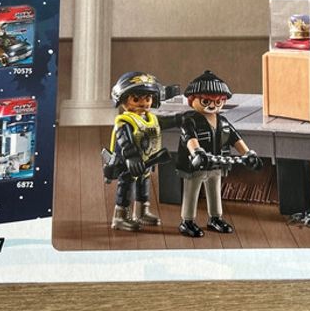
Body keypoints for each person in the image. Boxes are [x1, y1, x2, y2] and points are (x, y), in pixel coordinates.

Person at [176, 70, 262, 238]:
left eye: (218, 101)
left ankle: (215, 218)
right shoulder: (189, 120)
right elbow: (189, 138)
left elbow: (235, 138)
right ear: (192, 100)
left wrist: (248, 153)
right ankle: (187, 221)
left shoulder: (222, 121)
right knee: (191, 192)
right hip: (196, 165)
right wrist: (197, 153)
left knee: (215, 190)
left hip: (216, 164)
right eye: (206, 101)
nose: (212, 106)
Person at [104, 72, 180, 231]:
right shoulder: (125, 122)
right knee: (126, 186)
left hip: (146, 162)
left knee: (143, 186)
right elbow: (124, 141)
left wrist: (181, 119)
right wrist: (132, 157)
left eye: (148, 98)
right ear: (123, 99)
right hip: (128, 164)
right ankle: (120, 216)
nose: (143, 103)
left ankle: (141, 212)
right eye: (136, 99)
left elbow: (166, 122)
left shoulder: (151, 119)